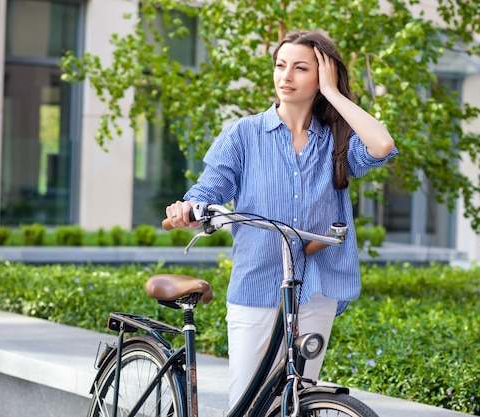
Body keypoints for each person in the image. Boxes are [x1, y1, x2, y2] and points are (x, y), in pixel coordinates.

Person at [165, 29, 398, 408]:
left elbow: (383, 145)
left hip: (316, 286)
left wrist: (334, 94)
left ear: (322, 76)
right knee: (247, 402)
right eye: (280, 65)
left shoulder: (336, 141)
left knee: (298, 399)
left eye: (300, 68)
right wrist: (188, 208)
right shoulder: (244, 134)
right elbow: (208, 191)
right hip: (258, 283)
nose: (285, 76)